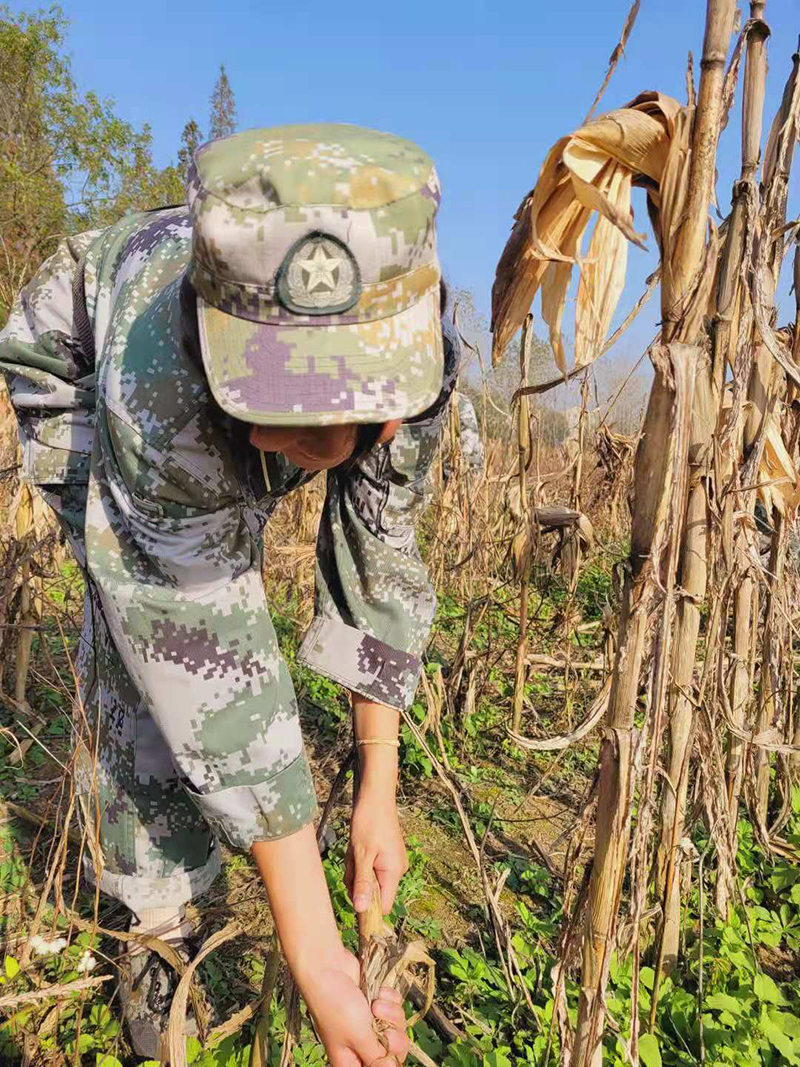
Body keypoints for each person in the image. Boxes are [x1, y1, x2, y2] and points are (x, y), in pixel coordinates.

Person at [0, 123, 460, 1061]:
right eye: (261, 399)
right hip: (78, 372)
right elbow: (199, 645)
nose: (260, 442)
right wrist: (315, 947)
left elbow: (380, 556)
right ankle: (156, 918)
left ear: (389, 405)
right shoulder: (164, 385)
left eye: (304, 417)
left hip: (217, 396)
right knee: (148, 651)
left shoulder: (416, 359)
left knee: (215, 608)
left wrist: (377, 789)